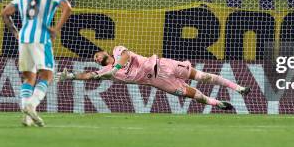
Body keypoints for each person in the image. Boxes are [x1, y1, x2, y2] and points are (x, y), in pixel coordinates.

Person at [58, 46, 250, 110]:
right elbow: (89, 75)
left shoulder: (117, 51)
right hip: (157, 81)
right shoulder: (106, 73)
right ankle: (219, 104)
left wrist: (114, 68)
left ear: (103, 51)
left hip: (162, 64)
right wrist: (72, 76)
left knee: (203, 76)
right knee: (194, 96)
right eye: (95, 60)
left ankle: (238, 88)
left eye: (97, 55)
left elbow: (126, 56)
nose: (96, 58)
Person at [1, 0, 72, 127]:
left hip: (24, 38)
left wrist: (16, 33)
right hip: (41, 38)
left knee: (29, 77)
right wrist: (55, 29)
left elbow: (5, 13)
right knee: (47, 75)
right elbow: (67, 8)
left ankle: (27, 117)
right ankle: (31, 105)